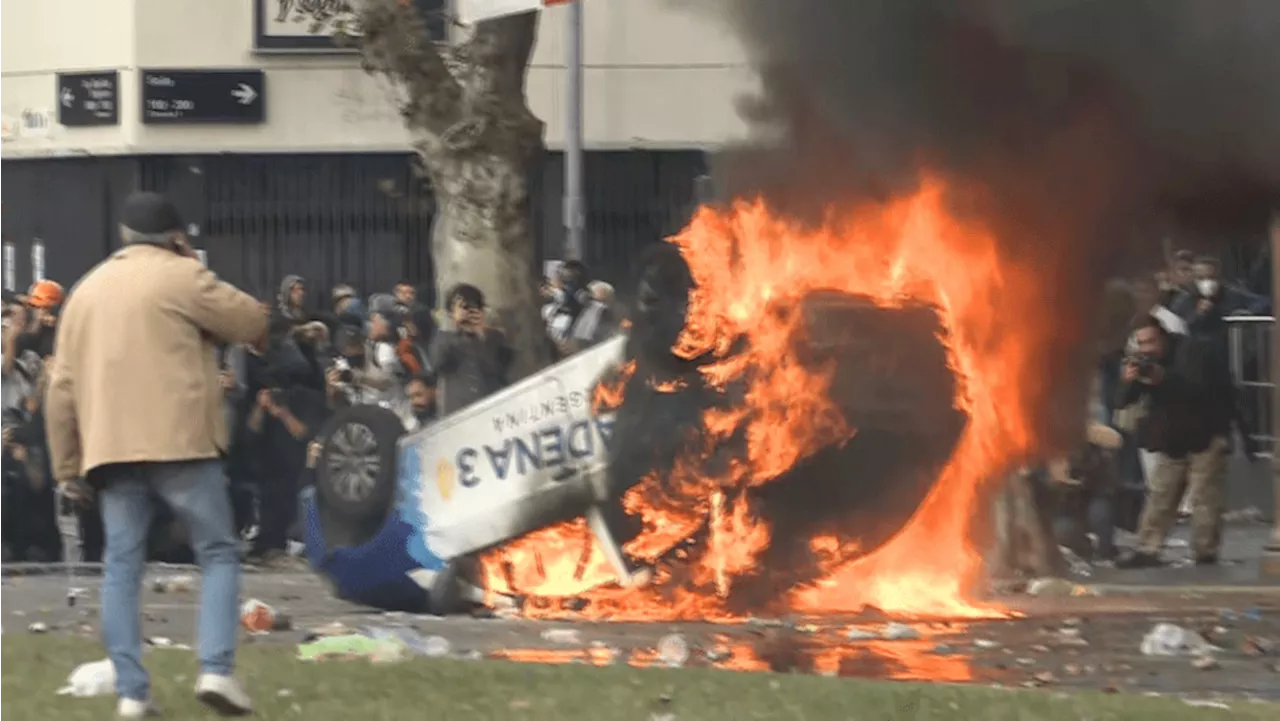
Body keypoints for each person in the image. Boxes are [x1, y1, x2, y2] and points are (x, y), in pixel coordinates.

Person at [45, 191, 268, 718]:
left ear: (123, 236)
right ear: (175, 235)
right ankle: (215, 669)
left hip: (112, 451)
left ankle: (131, 692)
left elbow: (61, 389)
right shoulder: (182, 275)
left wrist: (67, 467)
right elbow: (251, 322)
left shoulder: (84, 292)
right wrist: (191, 262)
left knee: (122, 565)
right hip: (182, 442)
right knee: (216, 552)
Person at [1114, 317, 1233, 569]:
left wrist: (1162, 379)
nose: (1147, 349)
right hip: (1173, 439)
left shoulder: (1192, 352)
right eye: (1142, 343)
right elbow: (1122, 402)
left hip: (1207, 434)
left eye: (1152, 341)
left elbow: (1196, 390)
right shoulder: (1146, 362)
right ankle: (1148, 548)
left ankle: (1205, 552)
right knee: (1160, 495)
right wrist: (1128, 381)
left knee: (1205, 499)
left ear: (1164, 337)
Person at [429, 284, 514, 415]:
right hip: (457, 410)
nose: (467, 313)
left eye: (472, 308)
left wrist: (480, 334)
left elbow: (499, 370)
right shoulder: (444, 338)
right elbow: (437, 363)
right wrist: (455, 327)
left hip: (490, 407)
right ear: (451, 311)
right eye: (463, 307)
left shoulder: (494, 337)